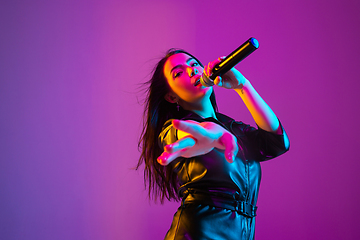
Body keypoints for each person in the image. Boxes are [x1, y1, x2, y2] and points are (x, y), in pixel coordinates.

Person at [137, 48, 289, 240]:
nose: (192, 70)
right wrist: (212, 134)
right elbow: (190, 132)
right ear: (171, 97)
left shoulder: (232, 127)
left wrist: (243, 86)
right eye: (178, 73)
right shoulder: (173, 130)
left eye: (194, 64)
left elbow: (277, 143)